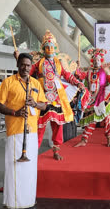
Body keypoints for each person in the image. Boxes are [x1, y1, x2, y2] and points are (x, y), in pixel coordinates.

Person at [15, 30, 85, 160]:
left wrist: (78, 82)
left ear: (55, 48)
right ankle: (33, 151)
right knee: (39, 125)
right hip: (42, 97)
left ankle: (56, 150)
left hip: (57, 98)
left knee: (58, 126)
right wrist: (17, 60)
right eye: (47, 47)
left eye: (52, 46)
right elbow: (27, 72)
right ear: (43, 48)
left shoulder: (58, 63)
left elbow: (67, 75)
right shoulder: (39, 62)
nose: (50, 49)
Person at [0, 53, 47, 209]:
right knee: (14, 168)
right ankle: (12, 203)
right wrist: (14, 112)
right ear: (18, 65)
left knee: (29, 169)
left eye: (28, 65)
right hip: (15, 131)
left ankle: (28, 200)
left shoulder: (36, 83)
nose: (25, 67)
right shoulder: (8, 82)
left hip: (31, 132)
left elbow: (44, 105)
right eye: (23, 64)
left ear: (31, 66)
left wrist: (35, 104)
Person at [74, 48, 110, 147]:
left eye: (98, 60)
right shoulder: (89, 71)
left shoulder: (104, 70)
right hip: (92, 97)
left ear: (101, 60)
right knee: (93, 118)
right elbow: (80, 76)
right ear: (92, 60)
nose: (97, 61)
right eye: (95, 59)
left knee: (107, 118)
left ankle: (109, 138)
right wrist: (77, 68)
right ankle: (84, 139)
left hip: (102, 97)